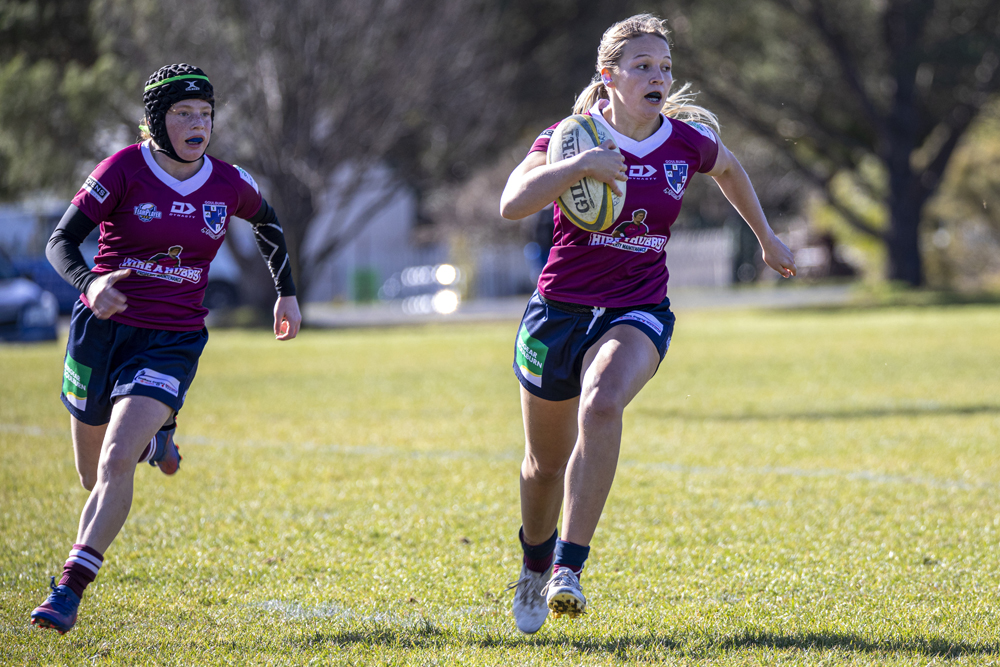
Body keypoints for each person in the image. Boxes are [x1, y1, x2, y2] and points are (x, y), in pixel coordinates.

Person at [499, 15, 796, 634]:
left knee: (603, 402)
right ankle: (533, 565)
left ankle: (568, 568)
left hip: (637, 308)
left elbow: (730, 169)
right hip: (558, 312)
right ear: (609, 77)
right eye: (642, 67)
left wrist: (766, 236)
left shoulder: (685, 142)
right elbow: (512, 204)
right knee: (543, 466)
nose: (657, 76)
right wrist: (580, 168)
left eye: (664, 67)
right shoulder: (570, 137)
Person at [30, 63, 302, 634]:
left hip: (171, 339)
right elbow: (60, 241)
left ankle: (68, 590)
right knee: (90, 476)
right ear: (156, 120)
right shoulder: (123, 169)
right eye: (183, 113)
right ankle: (160, 434)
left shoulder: (228, 182)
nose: (198, 123)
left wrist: (287, 293)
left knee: (116, 459)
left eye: (205, 113)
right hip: (101, 330)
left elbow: (269, 222)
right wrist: (90, 284)